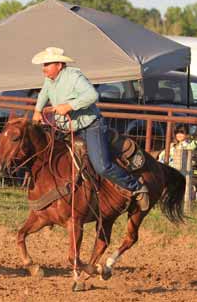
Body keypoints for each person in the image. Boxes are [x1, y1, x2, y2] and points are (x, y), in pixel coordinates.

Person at [31, 47, 149, 211]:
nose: (43, 68)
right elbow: (44, 93)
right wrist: (37, 111)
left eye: (47, 64)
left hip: (91, 126)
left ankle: (136, 186)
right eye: (43, 64)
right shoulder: (50, 79)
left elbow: (92, 95)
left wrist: (69, 106)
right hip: (68, 128)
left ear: (59, 65)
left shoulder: (73, 76)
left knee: (102, 166)